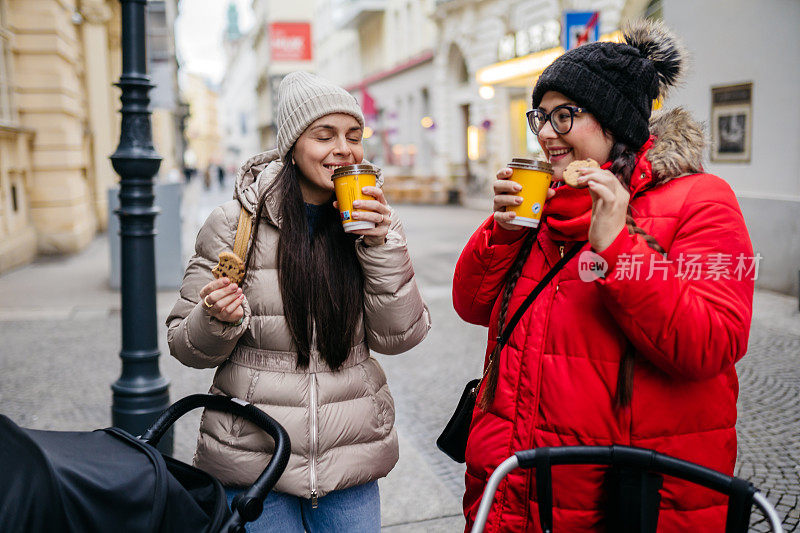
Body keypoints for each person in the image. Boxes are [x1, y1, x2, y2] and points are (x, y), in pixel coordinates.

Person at [452, 20, 754, 532]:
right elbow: (472, 305)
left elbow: (712, 344)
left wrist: (618, 246)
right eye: (539, 117)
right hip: (517, 485)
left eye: (565, 115)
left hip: (626, 497)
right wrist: (501, 232)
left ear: (615, 120)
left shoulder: (702, 202)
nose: (546, 133)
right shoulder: (540, 207)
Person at [167, 72, 431, 532]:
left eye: (353, 135)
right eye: (323, 135)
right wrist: (215, 318)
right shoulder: (234, 224)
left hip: (350, 459)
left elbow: (401, 336)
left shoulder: (379, 223)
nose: (342, 149)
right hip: (255, 460)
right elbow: (185, 346)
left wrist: (380, 246)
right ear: (292, 145)